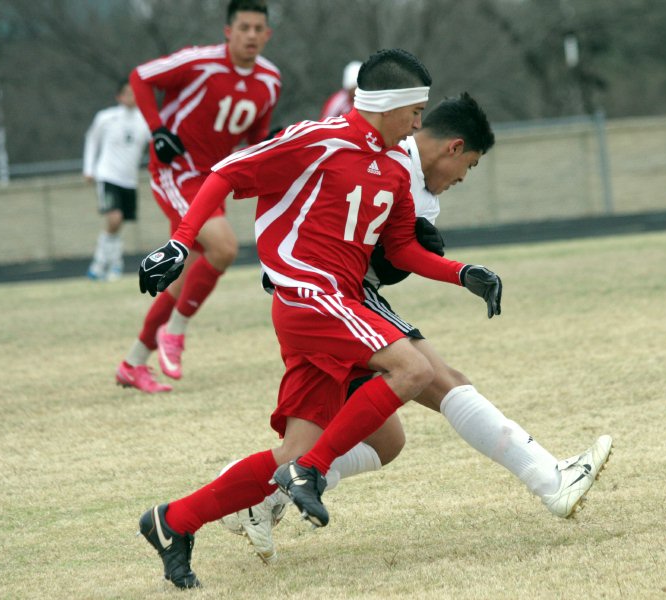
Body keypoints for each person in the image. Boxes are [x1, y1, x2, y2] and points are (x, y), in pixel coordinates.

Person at [136, 48, 503, 589]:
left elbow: (401, 248)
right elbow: (226, 174)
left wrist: (460, 272)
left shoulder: (393, 169)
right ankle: (308, 474)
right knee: (414, 371)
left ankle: (174, 520)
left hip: (335, 304)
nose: (420, 123)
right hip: (309, 295)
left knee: (307, 449)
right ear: (389, 104)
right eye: (415, 110)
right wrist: (177, 243)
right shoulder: (319, 139)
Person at [221, 93, 613, 565]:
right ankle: (551, 480)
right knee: (441, 379)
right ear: (453, 146)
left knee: (386, 443)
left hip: (345, 298)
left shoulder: (422, 193)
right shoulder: (378, 152)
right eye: (467, 166)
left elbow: (391, 258)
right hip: (327, 299)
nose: (463, 179)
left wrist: (448, 267)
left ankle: (265, 494)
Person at [115, 0, 280, 394]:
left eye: (259, 28)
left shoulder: (270, 80)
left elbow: (255, 139)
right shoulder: (201, 61)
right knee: (223, 247)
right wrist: (157, 129)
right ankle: (175, 333)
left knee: (182, 274)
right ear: (228, 31)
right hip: (175, 170)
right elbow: (140, 76)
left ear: (268, 34)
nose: (252, 35)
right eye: (244, 27)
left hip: (212, 179)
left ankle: (133, 362)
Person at [82, 80, 150, 282]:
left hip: (129, 180)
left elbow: (156, 145)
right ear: (119, 97)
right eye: (127, 93)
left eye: (135, 93)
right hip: (107, 175)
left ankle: (107, 265)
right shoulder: (106, 117)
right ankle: (105, 264)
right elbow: (91, 140)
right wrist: (89, 168)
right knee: (114, 218)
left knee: (118, 224)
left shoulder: (144, 121)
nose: (132, 97)